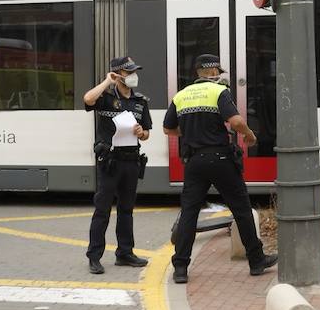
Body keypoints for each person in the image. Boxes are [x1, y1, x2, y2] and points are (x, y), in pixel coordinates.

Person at [164, 54, 277, 285]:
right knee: (241, 209)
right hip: (220, 158)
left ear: (197, 72)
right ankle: (256, 261)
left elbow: (168, 129)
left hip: (194, 162)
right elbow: (235, 122)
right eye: (218, 72)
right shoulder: (218, 92)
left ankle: (181, 268)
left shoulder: (181, 95)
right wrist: (249, 134)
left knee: (189, 214)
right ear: (214, 71)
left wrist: (191, 134)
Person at [83, 57, 153, 276]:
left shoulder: (140, 101)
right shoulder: (105, 98)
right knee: (102, 210)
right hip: (110, 162)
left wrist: (142, 133)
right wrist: (107, 82)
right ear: (118, 74)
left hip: (131, 161)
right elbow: (87, 99)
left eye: (134, 71)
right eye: (129, 72)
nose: (134, 76)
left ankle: (125, 253)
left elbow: (147, 132)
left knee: (126, 210)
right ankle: (94, 257)